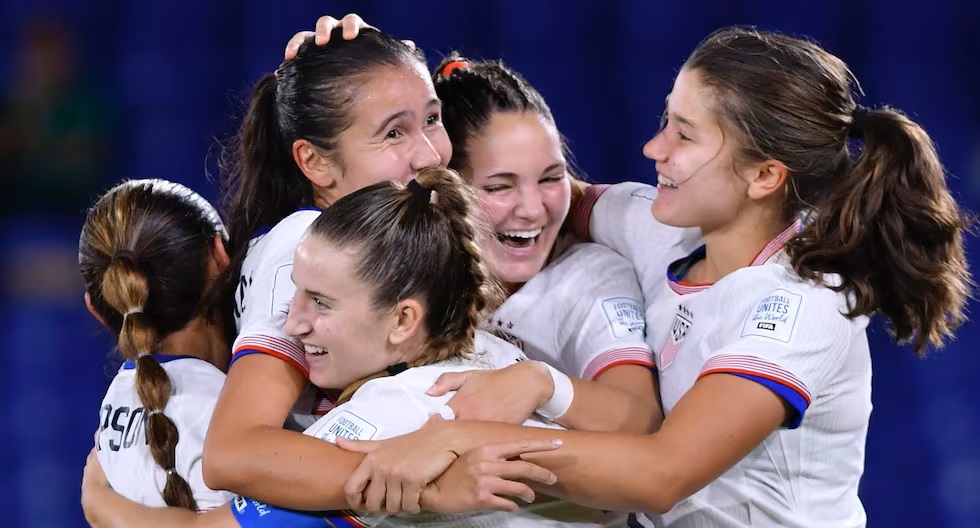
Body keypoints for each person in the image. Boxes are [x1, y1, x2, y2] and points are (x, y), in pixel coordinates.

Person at [331, 27, 974, 528]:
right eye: (666, 120)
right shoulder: (657, 222)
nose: (654, 148)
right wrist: (356, 87)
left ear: (764, 177)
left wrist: (459, 437)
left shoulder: (801, 308)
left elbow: (662, 472)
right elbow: (518, 188)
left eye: (684, 135)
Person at [82, 168, 604, 528]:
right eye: (297, 295)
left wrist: (99, 501)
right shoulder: (496, 357)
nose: (293, 321)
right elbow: (646, 470)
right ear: (223, 258)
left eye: (320, 302)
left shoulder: (381, 419)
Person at [202, 18, 453, 508]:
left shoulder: (387, 236)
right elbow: (234, 453)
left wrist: (371, 64)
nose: (429, 155)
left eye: (431, 119)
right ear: (315, 162)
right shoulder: (304, 244)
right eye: (393, 133)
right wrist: (439, 487)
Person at [425, 54, 665, 433]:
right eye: (500, 186)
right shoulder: (407, 269)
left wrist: (544, 385)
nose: (533, 209)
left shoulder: (588, 279)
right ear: (444, 189)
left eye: (550, 179)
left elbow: (642, 418)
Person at [78, 179, 234, 515]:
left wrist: (95, 500)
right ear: (220, 257)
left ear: (98, 309)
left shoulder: (110, 416)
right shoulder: (245, 410)